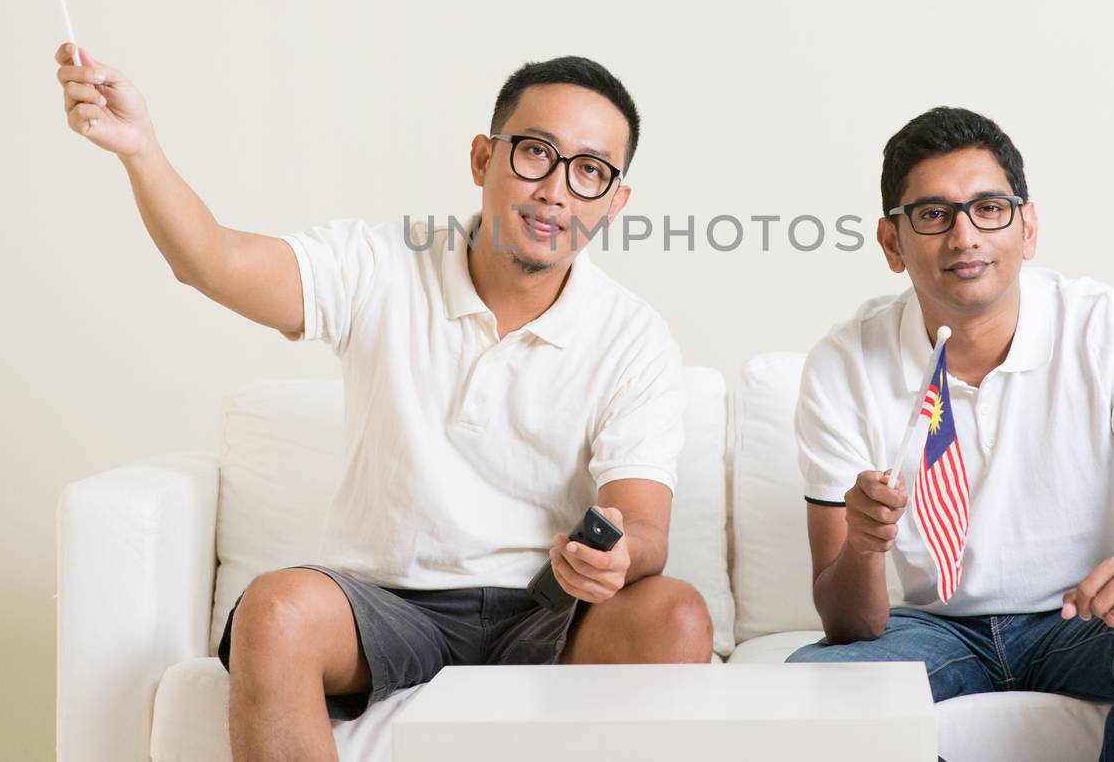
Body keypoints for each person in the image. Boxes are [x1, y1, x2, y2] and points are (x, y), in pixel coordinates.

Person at [55, 44, 712, 761]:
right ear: (483, 161)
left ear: (614, 202)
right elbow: (209, 260)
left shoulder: (634, 334)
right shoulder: (381, 267)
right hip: (388, 607)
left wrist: (616, 558)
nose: (556, 190)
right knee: (273, 610)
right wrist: (139, 148)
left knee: (674, 613)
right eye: (534, 153)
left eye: (589, 171)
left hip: (547, 608)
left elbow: (645, 525)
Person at [787, 106, 1114, 762]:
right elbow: (848, 624)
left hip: (1087, 623)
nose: (964, 236)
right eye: (933, 214)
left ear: (1027, 228)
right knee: (812, 683)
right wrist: (862, 546)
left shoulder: (1105, 325)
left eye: (990, 208)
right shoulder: (843, 363)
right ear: (893, 244)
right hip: (937, 634)